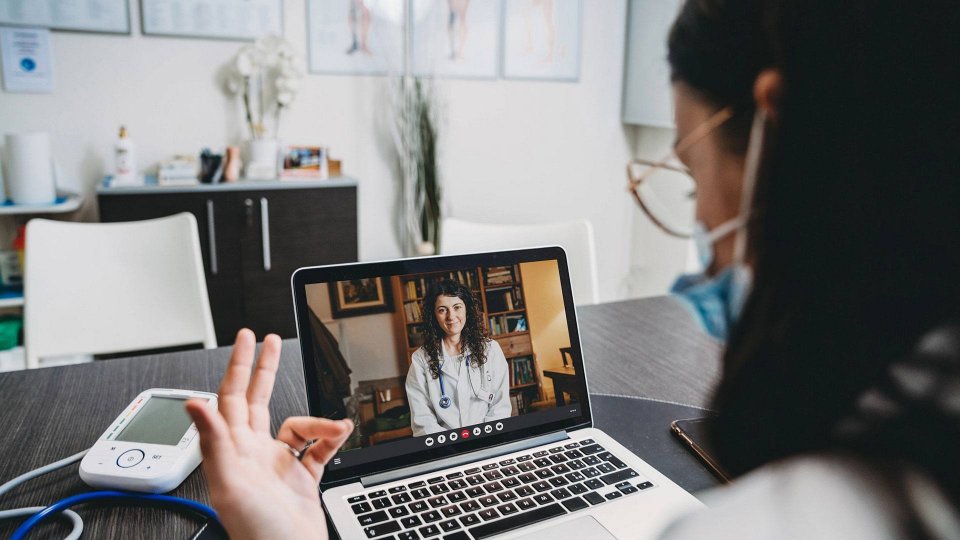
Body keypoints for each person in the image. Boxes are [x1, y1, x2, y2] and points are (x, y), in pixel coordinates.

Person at [185, 1, 960, 538]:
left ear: (780, 137)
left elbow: (486, 403)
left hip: (506, 460)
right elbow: (436, 415)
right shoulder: (423, 360)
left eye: (690, 178)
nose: (697, 221)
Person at [405, 279, 511, 436]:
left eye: (457, 307)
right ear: (434, 315)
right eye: (442, 310)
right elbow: (423, 420)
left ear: (467, 309)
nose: (451, 316)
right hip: (445, 447)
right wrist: (451, 445)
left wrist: (486, 440)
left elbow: (500, 407)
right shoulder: (420, 360)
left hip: (488, 439)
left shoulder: (491, 350)